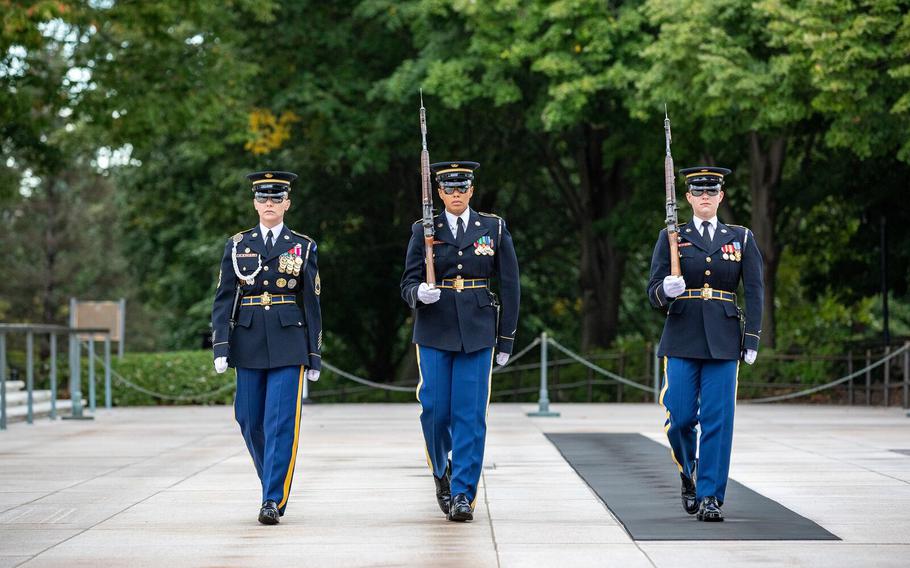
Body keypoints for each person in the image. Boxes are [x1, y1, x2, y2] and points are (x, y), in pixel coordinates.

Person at [400, 161, 520, 522]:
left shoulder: (493, 228)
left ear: (471, 190)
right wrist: (418, 292)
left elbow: (510, 285)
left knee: (470, 414)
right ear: (439, 193)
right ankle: (442, 469)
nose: (455, 194)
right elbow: (407, 281)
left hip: (478, 327)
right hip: (435, 328)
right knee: (434, 410)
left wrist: (506, 338)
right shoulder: (424, 229)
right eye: (449, 189)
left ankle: (463, 493)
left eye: (461, 188)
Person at [647, 166, 764, 522]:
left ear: (721, 197)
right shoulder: (672, 236)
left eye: (711, 192)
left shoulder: (740, 238)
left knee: (718, 420)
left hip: (725, 339)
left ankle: (711, 495)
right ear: (687, 198)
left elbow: (755, 290)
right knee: (680, 418)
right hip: (682, 334)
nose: (705, 198)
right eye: (698, 193)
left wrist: (753, 337)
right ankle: (689, 469)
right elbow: (652, 291)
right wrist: (665, 291)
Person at [211, 170, 322, 525]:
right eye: (263, 198)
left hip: (290, 340)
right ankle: (272, 481)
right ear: (254, 203)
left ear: (287, 203)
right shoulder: (238, 244)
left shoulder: (302, 246)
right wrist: (220, 345)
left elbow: (313, 302)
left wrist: (314, 352)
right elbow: (224, 297)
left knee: (279, 422)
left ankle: (273, 498)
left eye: (276, 198)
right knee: (248, 419)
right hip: (248, 339)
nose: (269, 204)